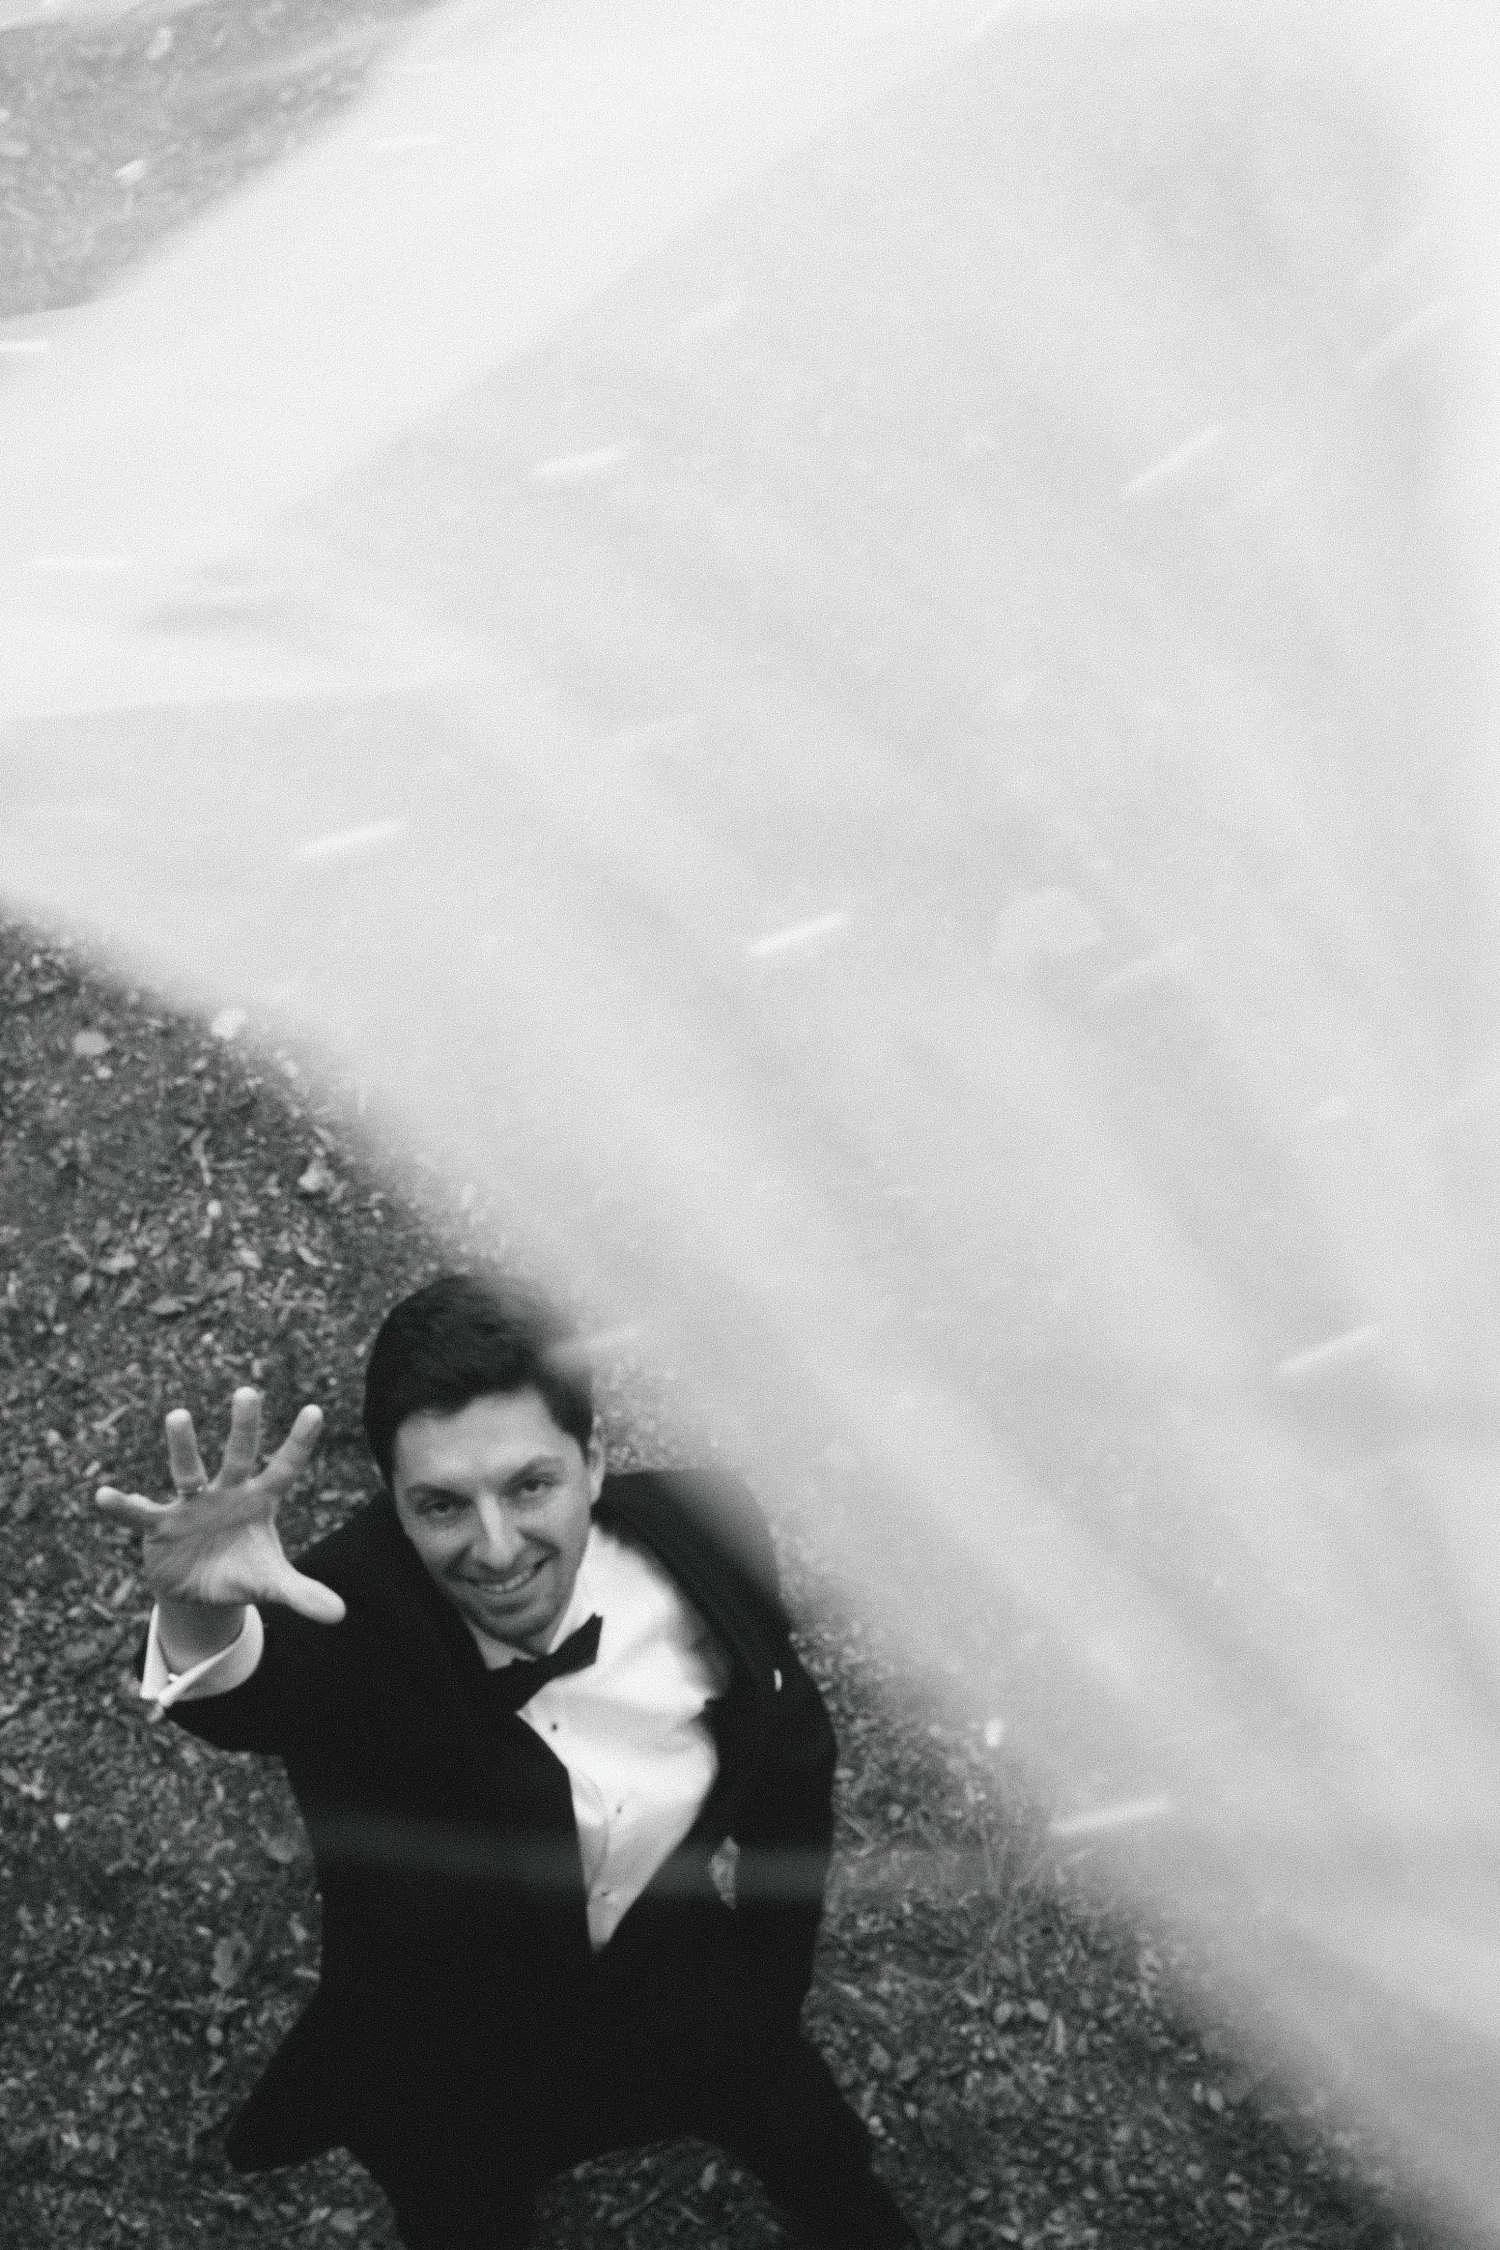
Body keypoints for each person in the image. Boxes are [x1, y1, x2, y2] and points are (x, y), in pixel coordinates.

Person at [97, 1271, 923, 2250]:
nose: (495, 1552)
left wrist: (770, 1977)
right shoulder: (347, 1612)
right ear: (393, 1502)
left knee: (822, 2160)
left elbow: (792, 1755)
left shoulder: (711, 1522)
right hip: (452, 2058)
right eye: (442, 1505)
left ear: (597, 1460)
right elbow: (251, 1689)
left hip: (685, 1976)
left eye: (531, 1486)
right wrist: (199, 1610)